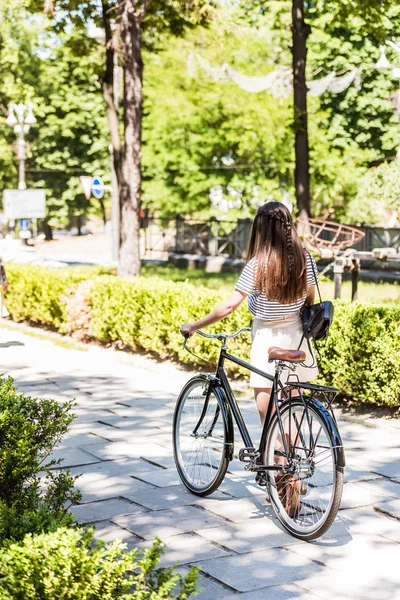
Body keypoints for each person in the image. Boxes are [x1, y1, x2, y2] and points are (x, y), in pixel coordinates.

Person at [180, 201, 318, 426]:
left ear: (261, 230)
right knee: (292, 411)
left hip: (267, 339)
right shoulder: (305, 258)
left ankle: (276, 459)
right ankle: (287, 458)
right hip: (297, 336)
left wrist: (194, 326)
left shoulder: (259, 265)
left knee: (269, 414)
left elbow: (228, 307)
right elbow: (310, 298)